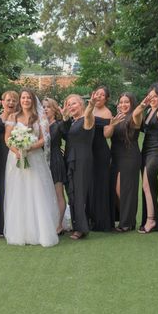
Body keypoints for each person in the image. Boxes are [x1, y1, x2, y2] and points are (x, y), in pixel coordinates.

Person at [4, 89, 59, 247]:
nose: (25, 100)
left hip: (35, 158)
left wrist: (29, 147)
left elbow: (44, 139)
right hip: (16, 159)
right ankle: (20, 233)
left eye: (28, 98)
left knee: (36, 192)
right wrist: (18, 151)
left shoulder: (40, 117)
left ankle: (40, 232)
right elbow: (7, 139)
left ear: (33, 100)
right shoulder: (13, 116)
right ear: (20, 100)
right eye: (23, 98)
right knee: (18, 193)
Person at [104, 92, 149, 232]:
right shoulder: (116, 117)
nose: (123, 104)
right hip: (115, 157)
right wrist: (112, 124)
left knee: (125, 190)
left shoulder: (134, 117)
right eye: (121, 102)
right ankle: (125, 220)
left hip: (129, 157)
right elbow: (106, 134)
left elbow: (137, 116)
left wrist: (141, 107)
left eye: (127, 102)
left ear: (132, 104)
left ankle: (127, 223)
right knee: (116, 190)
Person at [63, 93, 96, 240]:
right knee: (72, 192)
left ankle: (82, 228)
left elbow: (88, 115)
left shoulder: (86, 119)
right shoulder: (72, 121)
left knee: (80, 192)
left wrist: (91, 106)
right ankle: (76, 224)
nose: (71, 106)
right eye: (68, 104)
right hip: (70, 159)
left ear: (81, 105)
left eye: (74, 103)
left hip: (82, 160)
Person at [138, 83, 158, 233]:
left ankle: (151, 220)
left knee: (146, 185)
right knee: (149, 186)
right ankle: (155, 220)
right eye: (151, 96)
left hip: (156, 151)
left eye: (156, 96)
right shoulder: (148, 110)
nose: (153, 99)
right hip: (145, 150)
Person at [0, 90, 19, 237]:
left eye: (14, 100)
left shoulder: (20, 118)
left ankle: (16, 224)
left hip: (18, 155)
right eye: (8, 100)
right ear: (2, 102)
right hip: (2, 156)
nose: (11, 103)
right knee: (4, 190)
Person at [89, 86, 113, 231]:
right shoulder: (88, 108)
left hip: (101, 152)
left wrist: (112, 126)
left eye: (102, 95)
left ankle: (101, 221)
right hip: (87, 151)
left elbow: (107, 135)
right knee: (90, 185)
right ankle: (90, 217)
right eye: (97, 93)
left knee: (100, 185)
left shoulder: (107, 113)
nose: (98, 96)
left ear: (106, 99)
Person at [43, 97, 68, 234]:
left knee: (58, 193)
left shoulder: (58, 124)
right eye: (43, 106)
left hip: (56, 160)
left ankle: (59, 225)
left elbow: (67, 135)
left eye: (48, 107)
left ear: (54, 109)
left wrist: (64, 119)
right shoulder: (39, 124)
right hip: (41, 161)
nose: (45, 109)